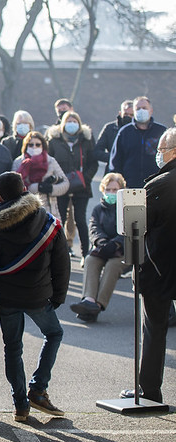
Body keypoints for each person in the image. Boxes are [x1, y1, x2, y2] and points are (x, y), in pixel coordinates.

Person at [0, 172, 69, 422]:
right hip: (40, 297)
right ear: (25, 189)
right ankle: (38, 389)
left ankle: (20, 405)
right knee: (54, 334)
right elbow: (62, 262)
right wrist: (59, 295)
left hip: (7, 300)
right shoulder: (48, 222)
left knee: (12, 349)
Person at [120, 128, 176, 403]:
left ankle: (149, 389)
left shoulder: (159, 184)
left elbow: (134, 228)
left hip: (158, 270)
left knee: (154, 331)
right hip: (164, 268)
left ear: (173, 152)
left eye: (161, 150)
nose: (158, 155)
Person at [69, 173, 128, 322]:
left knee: (113, 266)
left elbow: (128, 231)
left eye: (115, 190)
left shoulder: (126, 208)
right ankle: (88, 299)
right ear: (103, 190)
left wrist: (115, 243)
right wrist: (102, 242)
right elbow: (93, 228)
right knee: (90, 260)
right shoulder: (98, 209)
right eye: (108, 189)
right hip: (103, 247)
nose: (111, 193)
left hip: (121, 250)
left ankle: (98, 305)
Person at [47, 111, 98, 260]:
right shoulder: (54, 141)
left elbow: (93, 163)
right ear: (63, 123)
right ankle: (60, 252)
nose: (71, 124)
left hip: (81, 187)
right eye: (68, 121)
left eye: (74, 121)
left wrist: (86, 179)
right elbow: (48, 162)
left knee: (80, 220)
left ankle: (85, 254)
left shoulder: (86, 140)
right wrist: (56, 179)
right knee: (59, 220)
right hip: (61, 186)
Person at [109, 96, 167, 188]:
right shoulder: (124, 132)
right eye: (138, 108)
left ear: (151, 110)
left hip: (156, 186)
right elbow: (116, 161)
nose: (141, 111)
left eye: (144, 108)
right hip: (130, 186)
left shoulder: (161, 131)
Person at [11, 132, 69, 220]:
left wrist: (51, 188)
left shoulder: (51, 161)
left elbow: (66, 183)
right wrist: (35, 187)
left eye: (38, 145)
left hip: (49, 210)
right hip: (26, 211)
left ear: (43, 146)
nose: (34, 147)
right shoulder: (19, 162)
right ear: (26, 146)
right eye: (31, 145)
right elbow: (13, 187)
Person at [94, 100, 133, 166]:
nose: (128, 117)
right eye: (125, 114)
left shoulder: (140, 129)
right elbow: (97, 152)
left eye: (131, 115)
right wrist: (114, 157)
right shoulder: (109, 128)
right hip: (113, 169)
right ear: (120, 113)